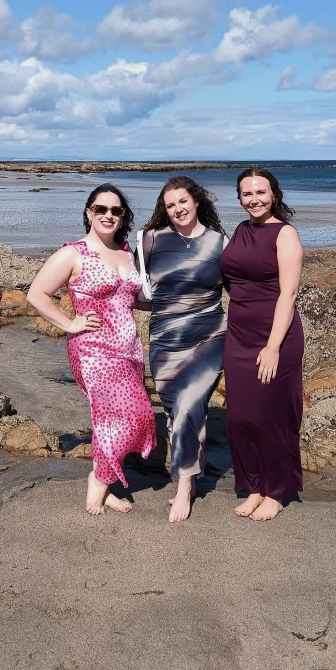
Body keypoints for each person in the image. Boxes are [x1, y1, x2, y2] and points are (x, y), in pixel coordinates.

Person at [26, 183, 156, 515]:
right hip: (93, 350)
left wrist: (175, 297)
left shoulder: (128, 253)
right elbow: (37, 294)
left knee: (128, 416)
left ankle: (106, 480)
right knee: (123, 417)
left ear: (123, 215)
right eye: (101, 209)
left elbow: (134, 300)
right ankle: (97, 484)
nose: (108, 215)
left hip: (128, 349)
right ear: (89, 213)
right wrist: (69, 324)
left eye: (116, 210)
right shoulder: (74, 253)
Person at [140, 176, 227, 522]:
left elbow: (239, 291)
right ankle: (192, 461)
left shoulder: (221, 244)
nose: (177, 209)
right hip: (165, 339)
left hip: (209, 337)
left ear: (197, 201)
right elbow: (133, 290)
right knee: (176, 410)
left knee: (191, 404)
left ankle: (185, 486)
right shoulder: (150, 241)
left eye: (182, 201)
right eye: (170, 204)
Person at [220, 168, 304, 522]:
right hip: (238, 334)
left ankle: (277, 490)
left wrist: (271, 347)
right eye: (247, 194)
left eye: (261, 192)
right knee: (241, 416)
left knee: (272, 415)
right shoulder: (239, 230)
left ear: (274, 195)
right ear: (239, 198)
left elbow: (289, 292)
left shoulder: (285, 234)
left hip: (276, 337)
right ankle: (253, 486)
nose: (254, 199)